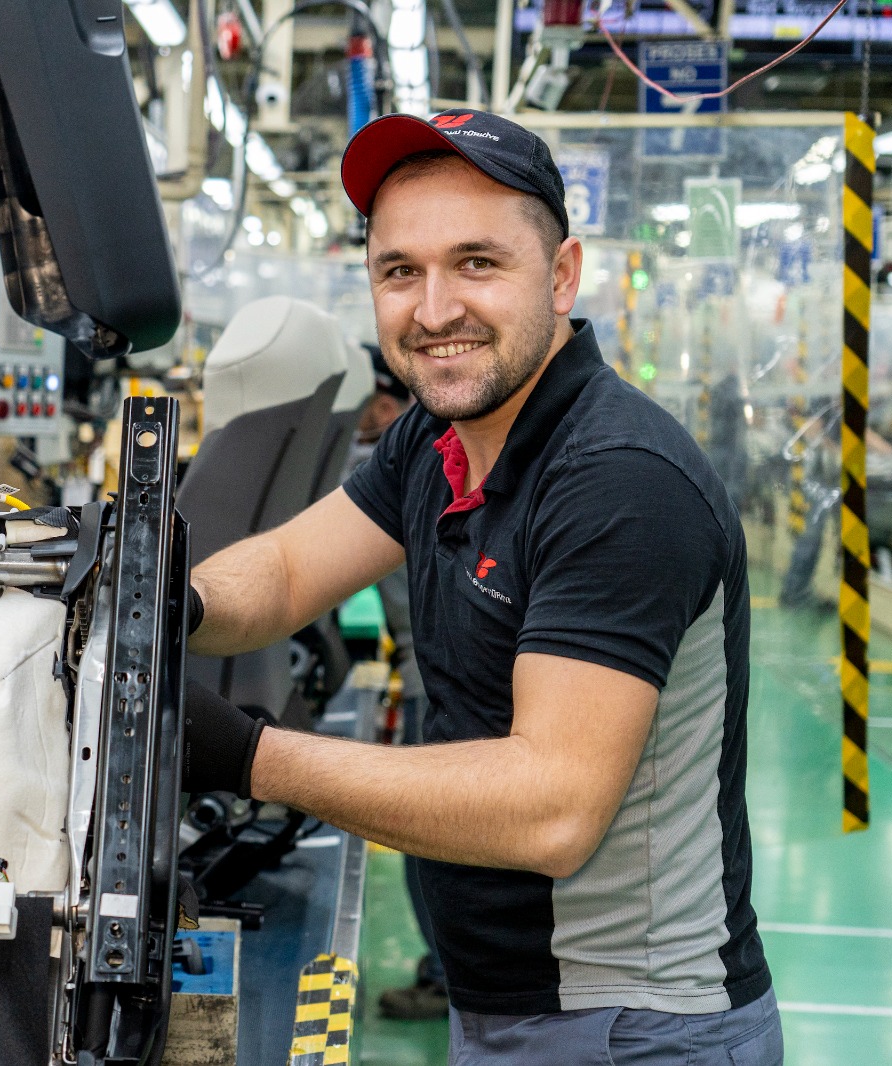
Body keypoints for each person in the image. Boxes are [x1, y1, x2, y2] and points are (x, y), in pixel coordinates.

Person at [180, 109, 780, 1064]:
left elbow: (550, 804)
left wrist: (243, 755)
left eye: (478, 264)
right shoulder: (441, 437)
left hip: (629, 1024)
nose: (433, 310)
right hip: (509, 1006)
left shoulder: (619, 480)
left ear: (563, 274)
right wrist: (174, 599)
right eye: (399, 271)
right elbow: (291, 569)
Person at [353, 345, 449, 1020]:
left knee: (428, 840)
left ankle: (447, 975)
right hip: (428, 674)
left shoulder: (396, 463)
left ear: (386, 407)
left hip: (432, 682)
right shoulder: (432, 454)